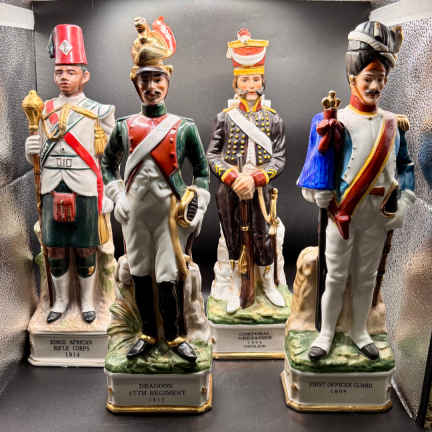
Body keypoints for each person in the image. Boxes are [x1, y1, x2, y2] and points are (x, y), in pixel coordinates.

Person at [297, 21, 415, 360]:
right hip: (342, 214)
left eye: (381, 79)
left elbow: (405, 166)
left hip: (378, 215)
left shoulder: (393, 123)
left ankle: (360, 331)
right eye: (368, 79)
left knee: (366, 278)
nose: (375, 86)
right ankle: (326, 333)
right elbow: (316, 170)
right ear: (352, 80)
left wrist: (404, 203)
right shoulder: (334, 121)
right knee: (334, 277)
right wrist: (317, 194)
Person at [101, 17, 209, 363]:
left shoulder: (184, 127)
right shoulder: (124, 127)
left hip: (168, 215)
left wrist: (195, 204)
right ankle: (147, 333)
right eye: (145, 80)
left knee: (168, 275)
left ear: (168, 80)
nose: (152, 86)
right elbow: (107, 166)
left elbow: (202, 173)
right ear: (136, 83)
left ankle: (175, 336)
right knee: (140, 272)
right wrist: (117, 195)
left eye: (157, 79)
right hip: (134, 214)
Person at [25, 24, 115, 324]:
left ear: (84, 75)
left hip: (85, 186)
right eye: (59, 71)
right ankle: (61, 301)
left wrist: (109, 191)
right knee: (55, 249)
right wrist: (30, 148)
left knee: (86, 248)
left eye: (71, 71)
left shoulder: (100, 112)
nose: (64, 77)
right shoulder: (44, 110)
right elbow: (36, 157)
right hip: (52, 187)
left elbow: (111, 156)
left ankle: (87, 302)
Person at [207, 28, 286, 313]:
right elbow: (212, 155)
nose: (250, 85)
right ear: (236, 83)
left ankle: (267, 284)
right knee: (233, 237)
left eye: (255, 79)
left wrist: (255, 178)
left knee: (262, 236)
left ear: (262, 81)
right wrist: (233, 178)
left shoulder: (273, 120)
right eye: (245, 79)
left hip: (261, 189)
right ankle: (235, 285)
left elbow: (279, 159)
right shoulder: (224, 118)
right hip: (230, 189)